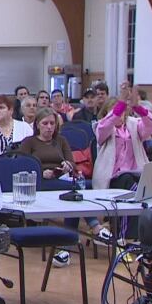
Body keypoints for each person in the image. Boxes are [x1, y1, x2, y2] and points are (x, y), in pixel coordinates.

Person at [17, 108, 111, 264]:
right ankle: (95, 228)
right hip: (39, 182)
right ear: (38, 125)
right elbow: (22, 165)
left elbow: (71, 162)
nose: (49, 127)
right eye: (45, 123)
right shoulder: (29, 142)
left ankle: (65, 250)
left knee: (73, 194)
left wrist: (67, 166)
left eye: (52, 123)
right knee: (73, 193)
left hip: (60, 178)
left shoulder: (60, 140)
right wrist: (41, 172)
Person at [93, 83, 152, 242]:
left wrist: (137, 107)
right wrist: (121, 102)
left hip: (137, 172)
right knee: (133, 191)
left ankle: (142, 236)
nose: (120, 115)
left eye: (123, 112)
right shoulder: (102, 127)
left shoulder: (134, 125)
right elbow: (107, 124)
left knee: (144, 190)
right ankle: (127, 236)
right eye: (116, 112)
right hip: (113, 176)